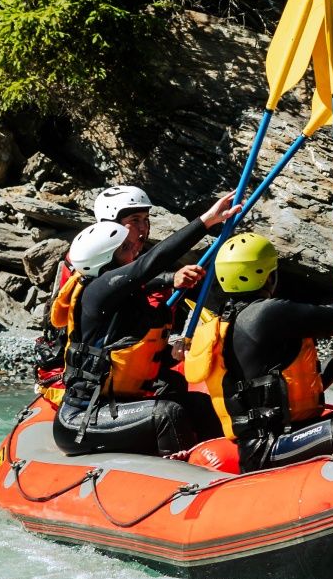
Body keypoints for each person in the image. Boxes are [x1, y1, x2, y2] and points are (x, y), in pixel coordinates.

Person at [183, 233, 333, 472]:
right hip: (268, 448)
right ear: (270, 276)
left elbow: (290, 394)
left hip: (296, 433)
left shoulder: (235, 321)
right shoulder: (266, 314)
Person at [52, 190, 241, 457]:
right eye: (125, 249)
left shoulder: (126, 294)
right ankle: (182, 483)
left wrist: (167, 353)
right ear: (106, 258)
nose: (134, 250)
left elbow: (127, 348)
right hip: (84, 417)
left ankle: (239, 466)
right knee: (168, 413)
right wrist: (206, 221)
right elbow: (146, 267)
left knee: (198, 404)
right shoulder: (98, 290)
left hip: (121, 405)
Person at [36, 184, 159, 396]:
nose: (143, 228)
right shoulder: (90, 263)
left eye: (146, 220)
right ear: (111, 224)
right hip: (77, 374)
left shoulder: (124, 259)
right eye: (135, 221)